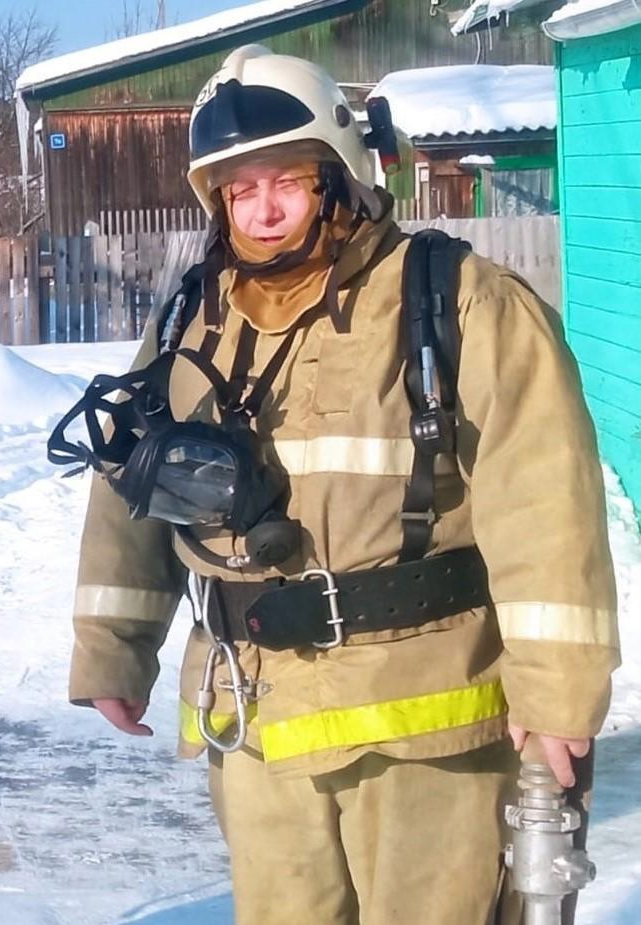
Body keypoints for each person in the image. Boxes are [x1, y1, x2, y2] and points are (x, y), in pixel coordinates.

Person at [63, 45, 618, 924]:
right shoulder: (192, 319)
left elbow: (544, 505)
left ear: (339, 175)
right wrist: (112, 646)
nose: (263, 209)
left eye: (284, 180)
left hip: (422, 723)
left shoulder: (457, 301)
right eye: (238, 190)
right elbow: (127, 490)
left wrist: (556, 698)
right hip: (251, 721)